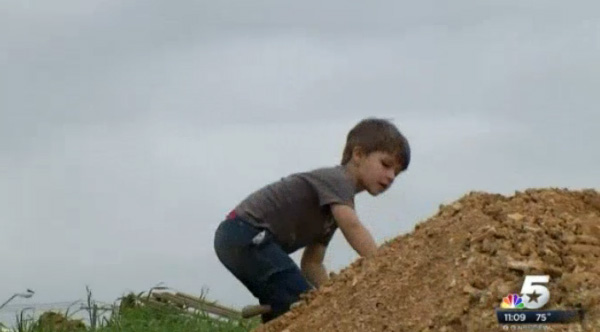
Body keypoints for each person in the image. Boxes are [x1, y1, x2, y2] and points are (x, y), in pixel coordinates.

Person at [213, 117, 411, 323]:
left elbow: (312, 263)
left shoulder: (331, 210)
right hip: (244, 233)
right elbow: (353, 227)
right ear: (358, 154)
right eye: (386, 165)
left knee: (288, 308)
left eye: (396, 173)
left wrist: (329, 295)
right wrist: (385, 265)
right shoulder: (339, 181)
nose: (390, 177)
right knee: (302, 302)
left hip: (244, 241)